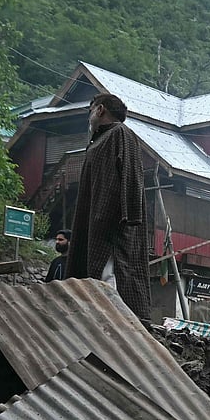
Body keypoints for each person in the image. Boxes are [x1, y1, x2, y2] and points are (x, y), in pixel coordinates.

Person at [66, 93, 151, 320]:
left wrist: (129, 215)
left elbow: (132, 176)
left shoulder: (120, 134)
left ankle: (114, 322)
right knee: (93, 273)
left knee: (109, 273)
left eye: (91, 110)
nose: (89, 117)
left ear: (100, 109)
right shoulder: (97, 143)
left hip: (114, 222)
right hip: (95, 220)